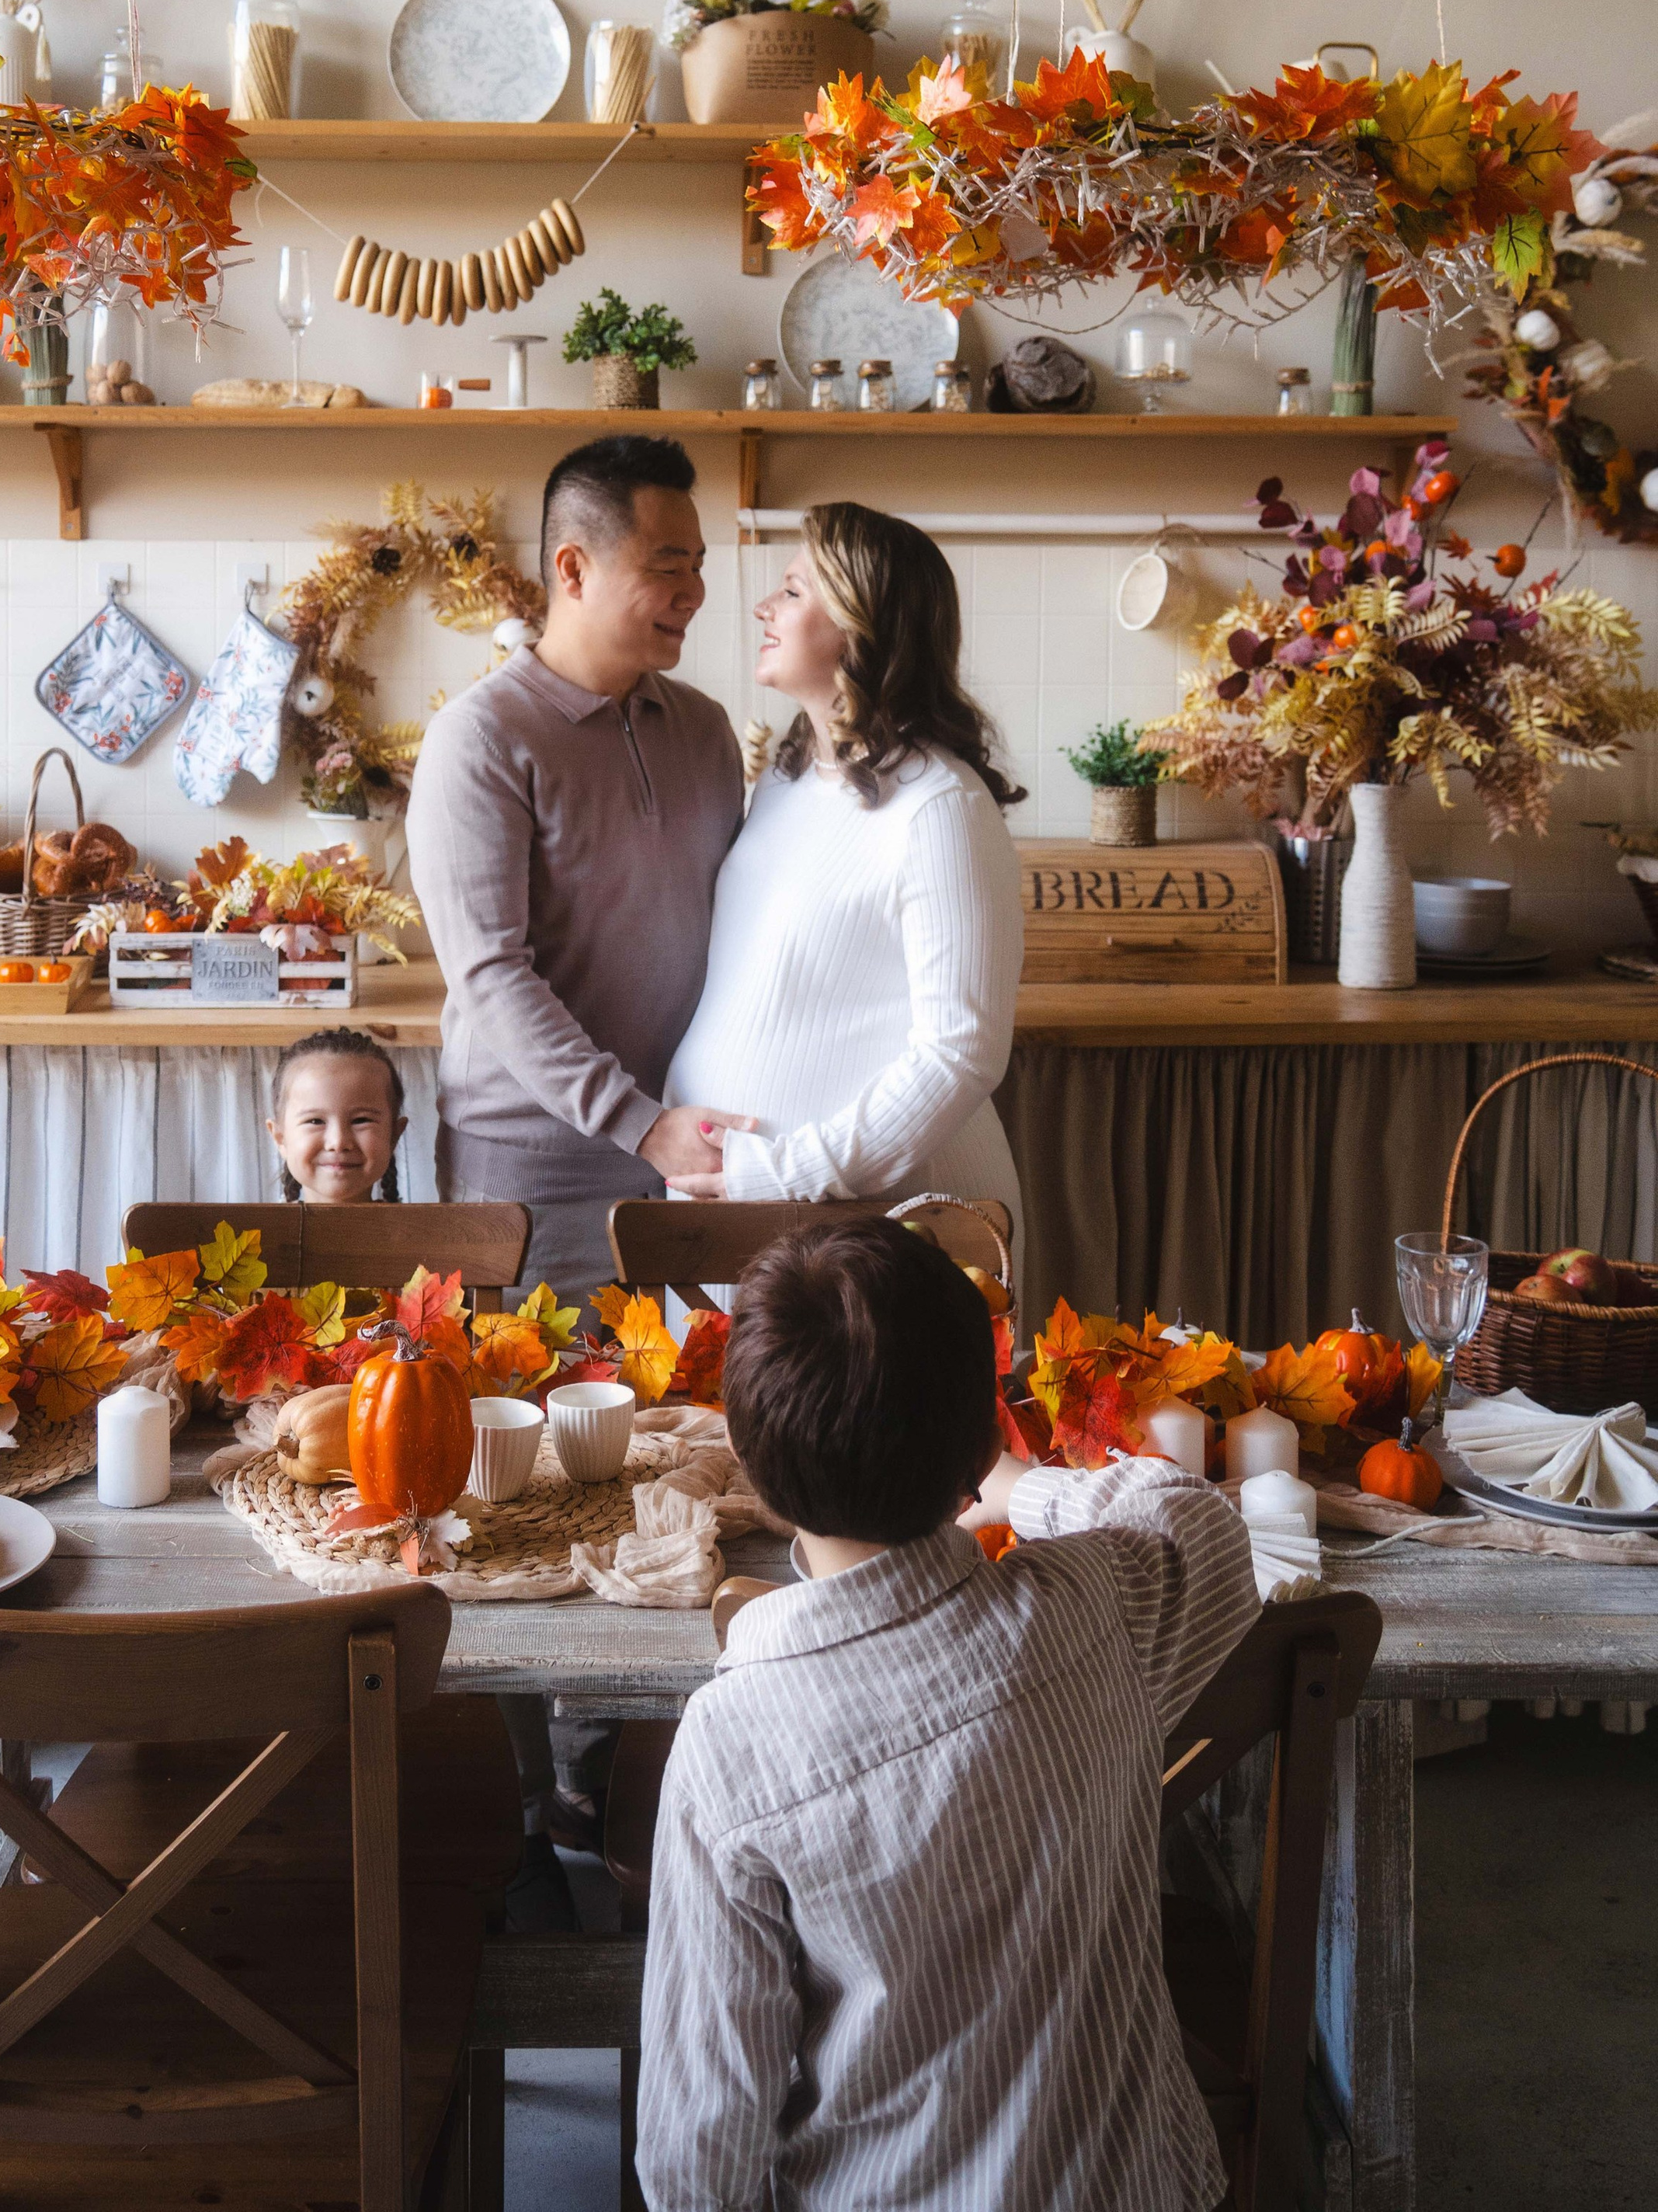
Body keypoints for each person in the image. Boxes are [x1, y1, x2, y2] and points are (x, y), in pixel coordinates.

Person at [636, 1217, 1262, 2212]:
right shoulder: (1090, 1609)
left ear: (751, 1468)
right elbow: (1194, 1519)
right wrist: (1020, 1483)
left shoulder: (729, 1748)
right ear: (982, 1437)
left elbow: (699, 2149)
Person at [406, 431, 747, 1302]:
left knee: (683, 1431)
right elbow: (490, 974)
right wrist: (639, 1126)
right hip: (531, 1174)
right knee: (529, 1429)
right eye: (668, 566)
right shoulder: (481, 737)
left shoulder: (705, 730)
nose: (694, 593)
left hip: (686, 1158)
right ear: (572, 569)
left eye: (699, 566)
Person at [666, 499, 1026, 1223]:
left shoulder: (939, 809)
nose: (766, 606)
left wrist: (787, 1172)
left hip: (877, 1227)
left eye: (794, 591)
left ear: (862, 628)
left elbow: (962, 1053)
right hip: (747, 1210)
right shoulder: (788, 778)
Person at [265, 1028, 406, 1205]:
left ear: (394, 1135)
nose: (338, 1142)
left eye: (361, 1120)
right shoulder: (263, 1231)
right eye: (315, 1121)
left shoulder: (419, 1231)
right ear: (280, 1138)